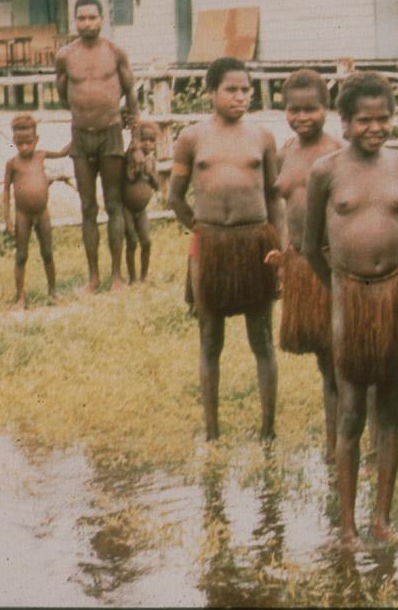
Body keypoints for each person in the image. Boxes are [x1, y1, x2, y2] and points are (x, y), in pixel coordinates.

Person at [303, 71, 398, 546]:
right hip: (349, 295)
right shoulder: (326, 171)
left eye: (384, 118)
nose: (375, 128)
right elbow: (312, 246)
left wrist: (394, 285)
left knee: (391, 409)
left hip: (396, 294)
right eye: (364, 121)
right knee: (351, 409)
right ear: (346, 122)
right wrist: (340, 290)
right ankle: (348, 525)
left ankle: (382, 521)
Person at [168, 57, 283, 441]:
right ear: (210, 92)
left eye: (246, 90)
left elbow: (273, 196)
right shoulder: (191, 138)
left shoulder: (263, 138)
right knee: (210, 338)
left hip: (256, 243)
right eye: (231, 90)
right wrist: (203, 233)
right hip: (211, 244)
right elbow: (176, 197)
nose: (240, 97)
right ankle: (212, 430)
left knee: (262, 338)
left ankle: (268, 429)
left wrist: (278, 249)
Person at [264, 69, 343, 465]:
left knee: (345, 355)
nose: (302, 117)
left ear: (326, 108)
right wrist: (282, 254)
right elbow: (280, 208)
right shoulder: (285, 152)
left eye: (311, 109)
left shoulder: (338, 153)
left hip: (333, 263)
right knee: (324, 361)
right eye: (294, 110)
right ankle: (333, 443)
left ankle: (356, 438)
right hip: (299, 265)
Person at [55, 0, 142, 292]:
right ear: (75, 20)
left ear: (102, 19)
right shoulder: (64, 56)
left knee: (114, 204)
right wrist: (85, 115)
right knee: (87, 206)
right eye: (81, 18)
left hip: (111, 134)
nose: (87, 23)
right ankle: (93, 277)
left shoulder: (116, 52)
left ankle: (117, 275)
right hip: (81, 135)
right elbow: (63, 95)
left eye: (92, 17)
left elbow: (131, 96)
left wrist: (138, 142)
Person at [2, 114, 72, 309]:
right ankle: (20, 297)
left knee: (48, 252)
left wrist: (77, 134)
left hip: (42, 214)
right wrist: (7, 219)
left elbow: (63, 153)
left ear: (36, 140)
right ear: (14, 141)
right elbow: (7, 191)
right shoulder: (12, 163)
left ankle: (53, 292)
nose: (24, 147)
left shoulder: (41, 155)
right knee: (21, 255)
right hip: (22, 215)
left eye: (28, 143)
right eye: (19, 143)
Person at [121, 121, 160, 283]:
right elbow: (128, 178)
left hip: (141, 210)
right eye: (144, 140)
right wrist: (137, 170)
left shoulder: (151, 161)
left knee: (147, 242)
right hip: (127, 208)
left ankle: (143, 277)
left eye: (152, 141)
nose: (148, 144)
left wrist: (150, 174)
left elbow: (157, 185)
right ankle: (133, 278)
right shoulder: (131, 157)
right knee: (132, 240)